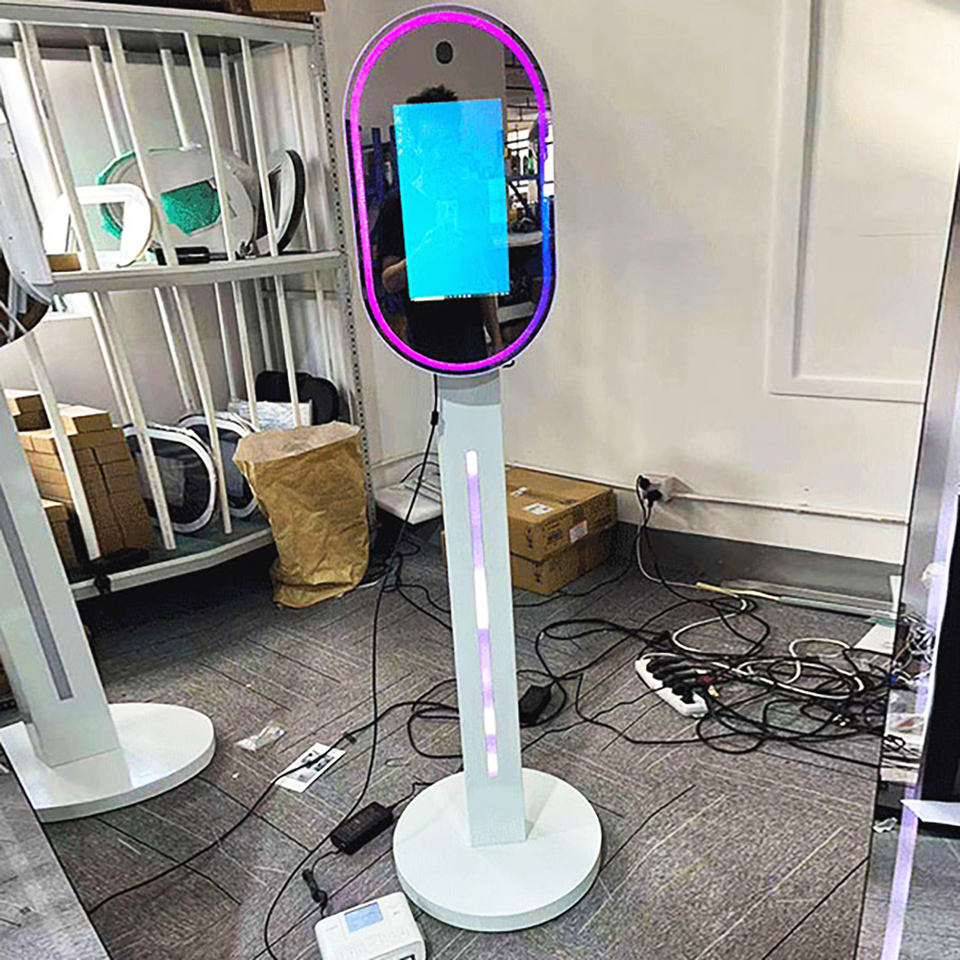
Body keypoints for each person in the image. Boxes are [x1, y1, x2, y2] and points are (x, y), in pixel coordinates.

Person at [378, 85, 504, 363]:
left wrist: (496, 339)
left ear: (457, 141)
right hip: (424, 345)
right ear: (417, 146)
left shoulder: (472, 197)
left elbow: (482, 275)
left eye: (446, 142)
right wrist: (423, 254)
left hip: (472, 341)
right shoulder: (399, 204)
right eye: (429, 144)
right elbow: (389, 282)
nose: (439, 153)